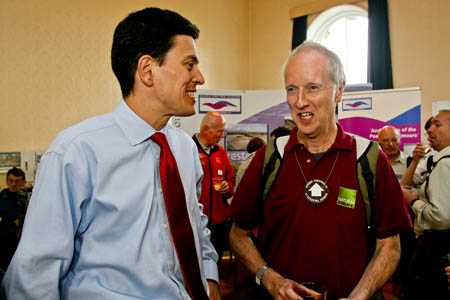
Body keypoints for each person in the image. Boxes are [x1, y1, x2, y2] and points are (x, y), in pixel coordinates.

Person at [1, 7, 221, 300]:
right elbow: (34, 274)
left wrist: (210, 279)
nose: (200, 77)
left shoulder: (183, 149)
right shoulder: (76, 152)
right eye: (189, 64)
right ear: (147, 70)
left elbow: (196, 227)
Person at [229, 41, 412, 300]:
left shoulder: (369, 160)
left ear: (339, 91)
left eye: (313, 88)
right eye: (292, 89)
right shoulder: (269, 158)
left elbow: (389, 245)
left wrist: (360, 295)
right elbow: (238, 235)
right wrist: (270, 279)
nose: (300, 102)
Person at [402, 109, 450, 300]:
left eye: (438, 125)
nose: (430, 129)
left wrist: (414, 201)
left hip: (436, 250)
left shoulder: (445, 164)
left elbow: (440, 218)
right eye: (430, 125)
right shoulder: (434, 161)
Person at [192, 111, 235, 270]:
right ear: (205, 129)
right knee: (196, 265)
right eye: (219, 131)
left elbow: (231, 182)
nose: (222, 135)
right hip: (196, 221)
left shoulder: (221, 153)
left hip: (218, 222)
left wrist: (227, 188)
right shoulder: (188, 150)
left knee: (215, 262)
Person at [0, 167, 27, 279]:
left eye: (17, 181)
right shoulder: (2, 198)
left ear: (23, 182)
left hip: (23, 242)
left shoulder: (27, 198)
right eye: (11, 181)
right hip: (5, 242)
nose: (14, 184)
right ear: (7, 182)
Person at [400, 116, 434, 188]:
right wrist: (415, 161)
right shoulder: (429, 160)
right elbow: (404, 186)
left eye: (432, 133)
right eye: (428, 134)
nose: (429, 138)